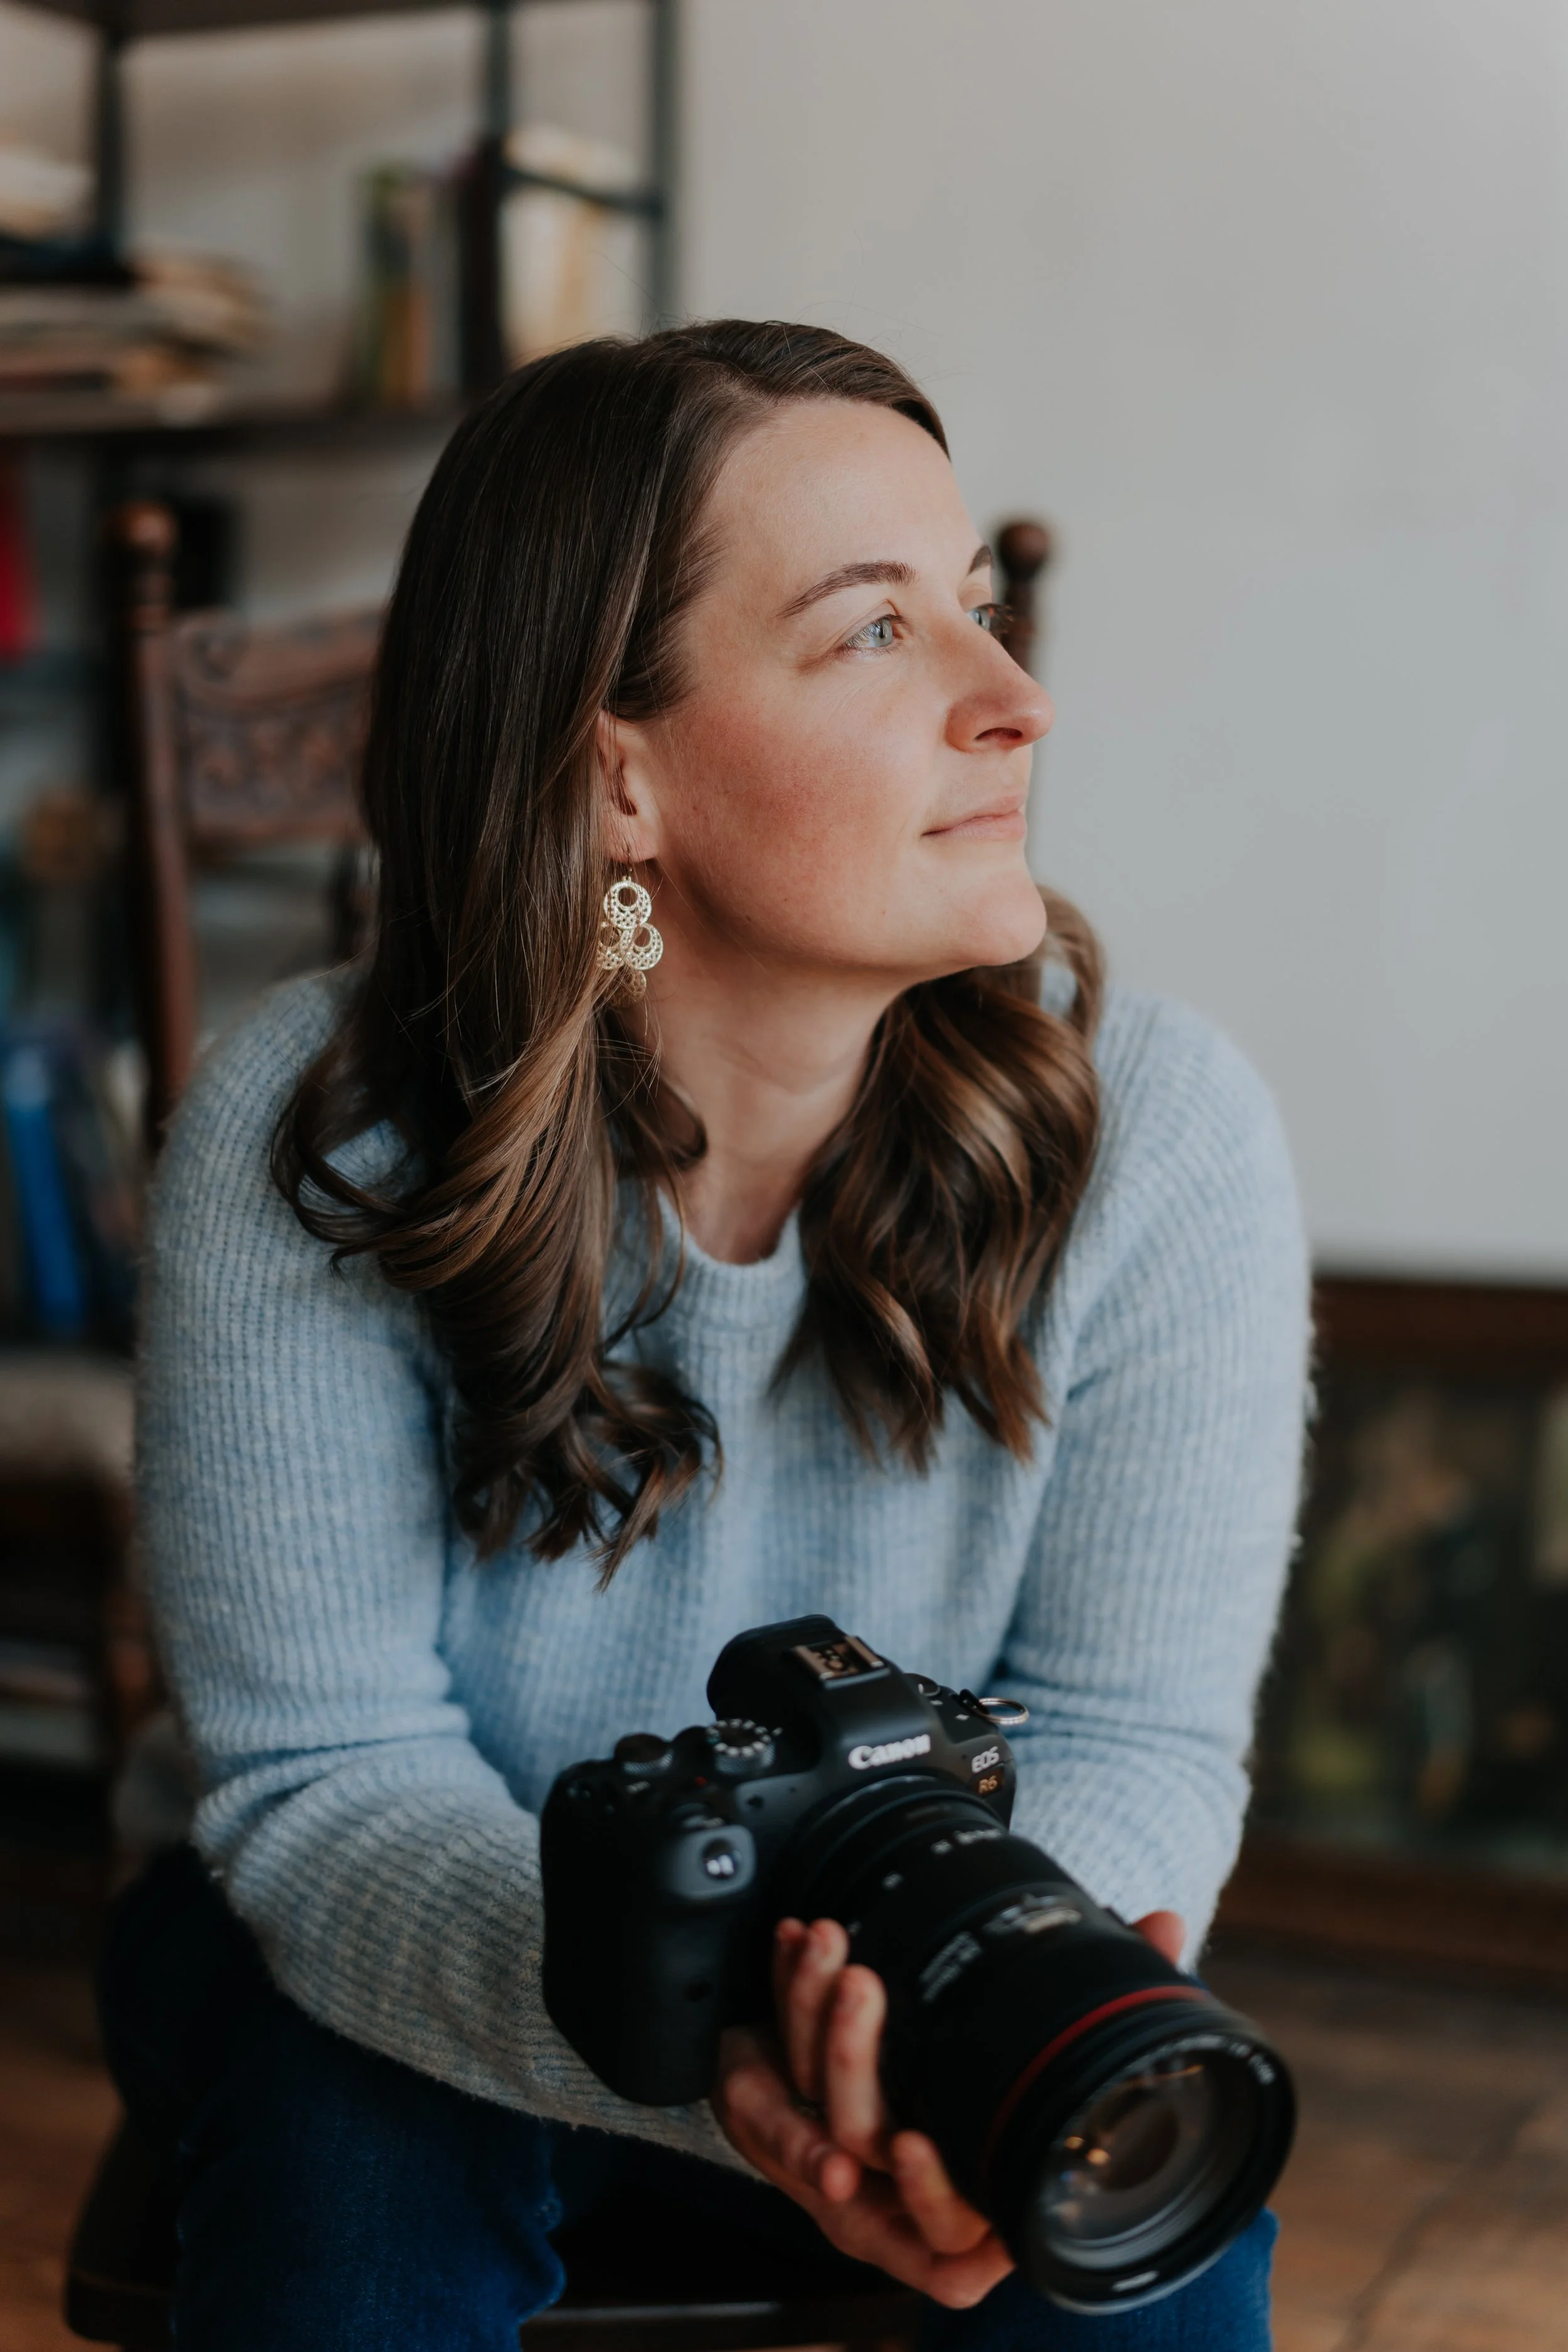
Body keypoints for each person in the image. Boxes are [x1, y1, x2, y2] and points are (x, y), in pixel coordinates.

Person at [105, 320, 1308, 2349]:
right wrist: (733, 2069)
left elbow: (1130, 1736)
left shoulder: (1165, 1135)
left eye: (983, 613)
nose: (1013, 701)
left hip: (880, 1978)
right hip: (388, 1939)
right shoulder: (317, 1133)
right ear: (616, 773)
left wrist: (894, 2052)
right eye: (871, 632)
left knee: (1148, 2213)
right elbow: (325, 1781)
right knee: (359, 2176)